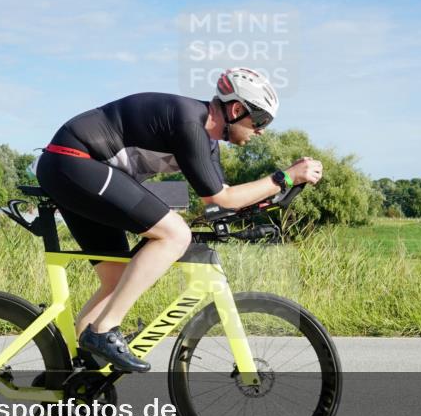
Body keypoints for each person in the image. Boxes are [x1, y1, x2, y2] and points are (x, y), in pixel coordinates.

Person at [35, 67, 323, 372]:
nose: (262, 130)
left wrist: (275, 196)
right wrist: (284, 177)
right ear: (237, 110)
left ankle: (76, 375)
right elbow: (220, 198)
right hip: (73, 161)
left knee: (117, 278)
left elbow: (223, 201)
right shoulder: (190, 123)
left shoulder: (207, 143)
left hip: (76, 169)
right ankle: (105, 330)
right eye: (261, 120)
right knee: (175, 234)